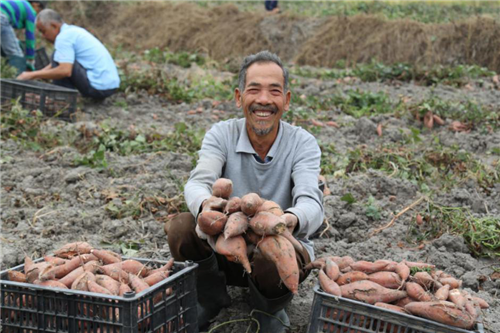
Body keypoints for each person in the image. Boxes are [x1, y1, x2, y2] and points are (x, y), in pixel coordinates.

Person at [165, 51, 324, 333]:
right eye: (254, 90)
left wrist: (284, 221)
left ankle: (270, 311)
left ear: (286, 100)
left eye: (274, 91)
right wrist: (207, 206)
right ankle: (210, 297)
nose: (263, 100)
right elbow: (197, 182)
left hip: (275, 258)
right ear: (239, 98)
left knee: (272, 249)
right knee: (180, 226)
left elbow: (311, 202)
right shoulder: (221, 134)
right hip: (225, 247)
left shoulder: (303, 143)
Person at [17, 9, 120, 100]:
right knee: (58, 56)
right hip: (110, 86)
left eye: (44, 31)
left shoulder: (63, 38)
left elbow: (65, 70)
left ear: (54, 26)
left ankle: (62, 100)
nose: (44, 36)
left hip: (98, 87)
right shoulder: (73, 31)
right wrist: (38, 74)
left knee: (58, 59)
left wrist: (32, 74)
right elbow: (60, 61)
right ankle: (63, 97)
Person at [0, 0, 45, 74]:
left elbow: (8, 36)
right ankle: (16, 80)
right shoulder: (30, 11)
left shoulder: (21, 4)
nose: (37, 16)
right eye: (39, 12)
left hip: (2, 17)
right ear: (35, 5)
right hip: (1, 17)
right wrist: (30, 59)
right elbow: (30, 36)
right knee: (16, 54)